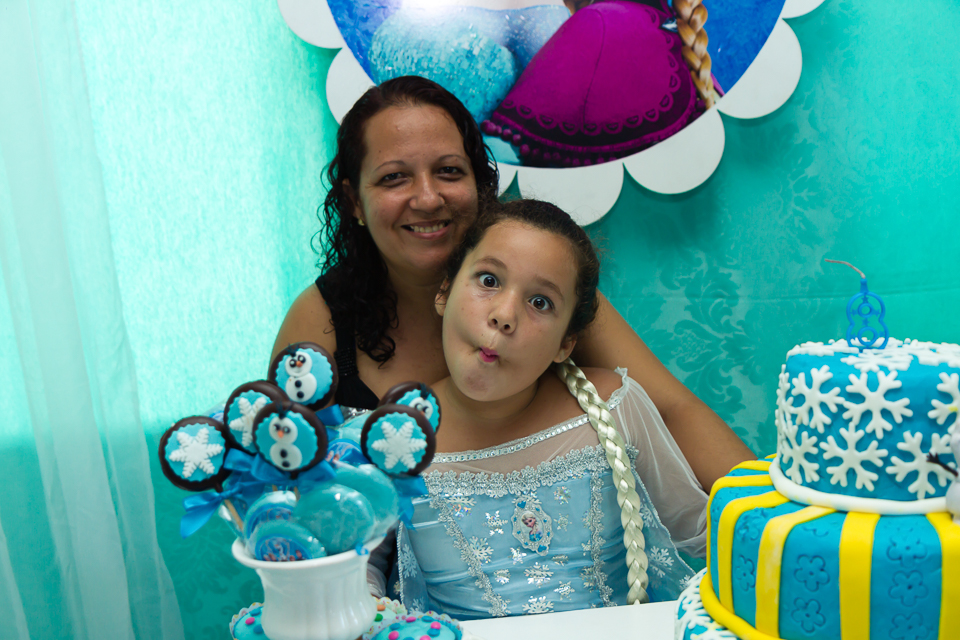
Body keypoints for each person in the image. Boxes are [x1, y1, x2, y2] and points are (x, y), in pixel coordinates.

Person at [271, 75, 752, 492]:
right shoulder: (321, 322)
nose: (427, 197)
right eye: (395, 178)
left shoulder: (541, 288)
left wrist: (776, 521)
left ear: (480, 184)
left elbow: (670, 412)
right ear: (354, 201)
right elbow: (283, 487)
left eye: (449, 171)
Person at [375, 198, 706, 617]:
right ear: (444, 291)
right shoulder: (390, 439)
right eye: (489, 280)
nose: (504, 315)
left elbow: (702, 532)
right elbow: (353, 572)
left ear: (566, 343)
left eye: (540, 302)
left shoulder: (611, 406)